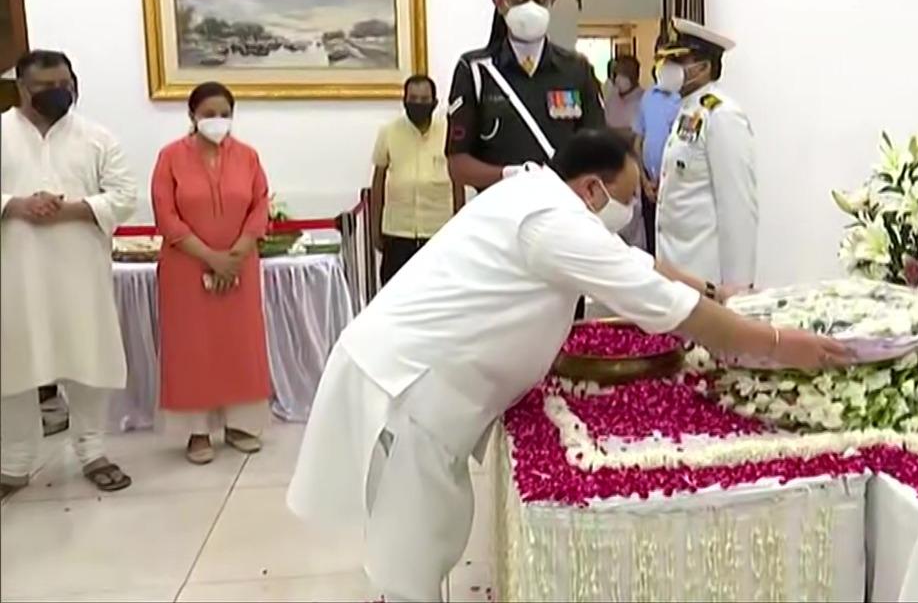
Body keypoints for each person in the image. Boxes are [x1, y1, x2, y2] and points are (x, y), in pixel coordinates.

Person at [286, 128, 851, 603]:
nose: (632, 209)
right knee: (412, 547)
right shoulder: (555, 223)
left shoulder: (540, 193)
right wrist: (779, 343)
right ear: (593, 187)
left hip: (422, 376)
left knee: (425, 532)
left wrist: (714, 288)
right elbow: (669, 310)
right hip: (410, 382)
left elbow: (640, 263)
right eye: (628, 195)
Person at [0, 50, 137, 497]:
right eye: (46, 86)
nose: (60, 92)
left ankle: (93, 450)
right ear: (22, 88)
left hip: (81, 274)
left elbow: (124, 196)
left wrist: (69, 209)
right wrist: (17, 204)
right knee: (13, 366)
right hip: (14, 276)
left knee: (87, 358)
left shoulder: (96, 137)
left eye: (66, 82)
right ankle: (15, 463)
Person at [445, 0, 605, 194]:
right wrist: (509, 175)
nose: (530, 7)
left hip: (561, 215)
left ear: (552, 1)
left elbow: (597, 150)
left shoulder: (577, 69)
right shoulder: (475, 71)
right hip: (498, 217)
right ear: (500, 2)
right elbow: (457, 164)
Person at [152, 82, 272, 465]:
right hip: (186, 267)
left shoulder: (249, 157)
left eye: (224, 114)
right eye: (208, 114)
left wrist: (234, 256)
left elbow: (259, 207)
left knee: (239, 342)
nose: (217, 121)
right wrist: (210, 258)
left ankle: (239, 424)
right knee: (193, 347)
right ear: (192, 116)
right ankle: (197, 431)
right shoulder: (170, 157)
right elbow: (166, 215)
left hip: (241, 265)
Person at [654, 18, 759, 291]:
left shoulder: (722, 116)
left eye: (677, 61)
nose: (666, 68)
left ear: (703, 67)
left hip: (706, 277)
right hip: (678, 273)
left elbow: (737, 206)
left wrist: (738, 285)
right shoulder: (688, 111)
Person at [371, 74, 459, 285]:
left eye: (423, 100)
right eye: (413, 99)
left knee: (438, 298)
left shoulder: (449, 132)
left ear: (435, 102)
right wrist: (375, 229)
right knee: (395, 299)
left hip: (438, 234)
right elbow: (378, 184)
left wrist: (458, 226)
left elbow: (458, 182)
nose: (418, 104)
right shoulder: (389, 132)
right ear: (404, 101)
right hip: (397, 234)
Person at [634, 48, 683, 254]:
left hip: (673, 183)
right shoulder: (648, 96)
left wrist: (663, 180)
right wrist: (644, 181)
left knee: (673, 242)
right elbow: (638, 140)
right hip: (648, 184)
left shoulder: (682, 99)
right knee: (652, 240)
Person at [603, 55, 647, 248]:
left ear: (635, 75)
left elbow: (635, 134)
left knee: (633, 220)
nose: (619, 78)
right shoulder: (611, 98)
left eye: (624, 74)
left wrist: (614, 132)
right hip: (609, 164)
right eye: (617, 73)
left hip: (633, 167)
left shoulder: (644, 100)